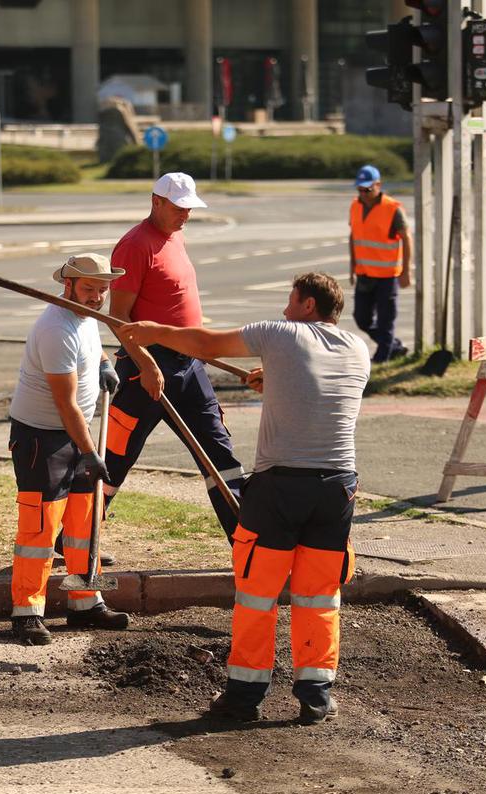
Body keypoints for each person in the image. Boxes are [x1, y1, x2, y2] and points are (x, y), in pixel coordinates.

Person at [117, 271, 370, 725]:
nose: (285, 309)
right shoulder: (357, 349)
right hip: (338, 487)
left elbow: (207, 344)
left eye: (291, 301)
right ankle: (316, 694)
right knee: (319, 593)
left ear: (308, 306)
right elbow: (317, 396)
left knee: (258, 591)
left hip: (280, 486)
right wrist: (272, 379)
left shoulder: (280, 333)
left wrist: (155, 333)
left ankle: (244, 697)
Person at [7, 254, 147, 646]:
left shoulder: (84, 318)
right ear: (67, 286)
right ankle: (27, 612)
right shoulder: (56, 328)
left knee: (86, 521)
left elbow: (92, 346)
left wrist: (104, 363)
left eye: (103, 290)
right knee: (41, 528)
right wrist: (89, 451)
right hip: (42, 439)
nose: (97, 297)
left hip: (76, 434)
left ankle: (85, 601)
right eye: (89, 289)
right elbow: (65, 405)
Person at [103, 172, 244, 539]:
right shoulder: (135, 245)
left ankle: (246, 542)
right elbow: (118, 317)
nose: (185, 215)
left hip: (189, 365)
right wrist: (145, 364)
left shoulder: (175, 236)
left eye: (189, 208)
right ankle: (70, 542)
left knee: (219, 455)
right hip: (144, 371)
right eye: (179, 208)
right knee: (114, 461)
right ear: (156, 202)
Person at [348, 164, 412, 363]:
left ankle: (382, 357)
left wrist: (405, 271)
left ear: (378, 185)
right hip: (364, 273)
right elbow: (354, 236)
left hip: (387, 275)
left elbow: (406, 238)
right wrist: (352, 266)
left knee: (386, 321)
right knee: (362, 319)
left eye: (367, 189)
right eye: (360, 189)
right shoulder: (355, 206)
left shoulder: (393, 209)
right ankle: (394, 347)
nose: (364, 193)